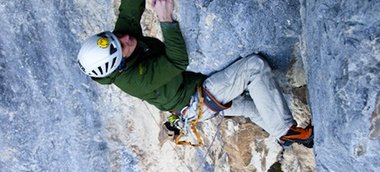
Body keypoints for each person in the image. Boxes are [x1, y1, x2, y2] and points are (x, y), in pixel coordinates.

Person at [77, 0, 313, 148]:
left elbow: (129, 10)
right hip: (199, 99)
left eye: (115, 36)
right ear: (119, 65)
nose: (126, 38)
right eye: (122, 45)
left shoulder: (118, 45)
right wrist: (165, 19)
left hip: (194, 100)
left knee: (251, 108)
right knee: (254, 67)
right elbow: (177, 60)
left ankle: (294, 137)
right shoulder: (132, 81)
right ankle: (287, 131)